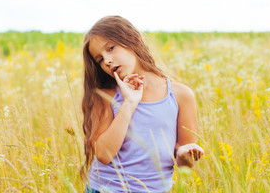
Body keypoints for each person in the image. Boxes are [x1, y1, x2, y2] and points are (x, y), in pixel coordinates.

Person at [81, 15, 204, 193]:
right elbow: (104, 155)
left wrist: (186, 155)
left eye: (111, 48)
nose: (107, 60)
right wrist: (129, 103)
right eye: (99, 59)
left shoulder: (180, 95)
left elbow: (184, 163)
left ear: (134, 40)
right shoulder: (105, 95)